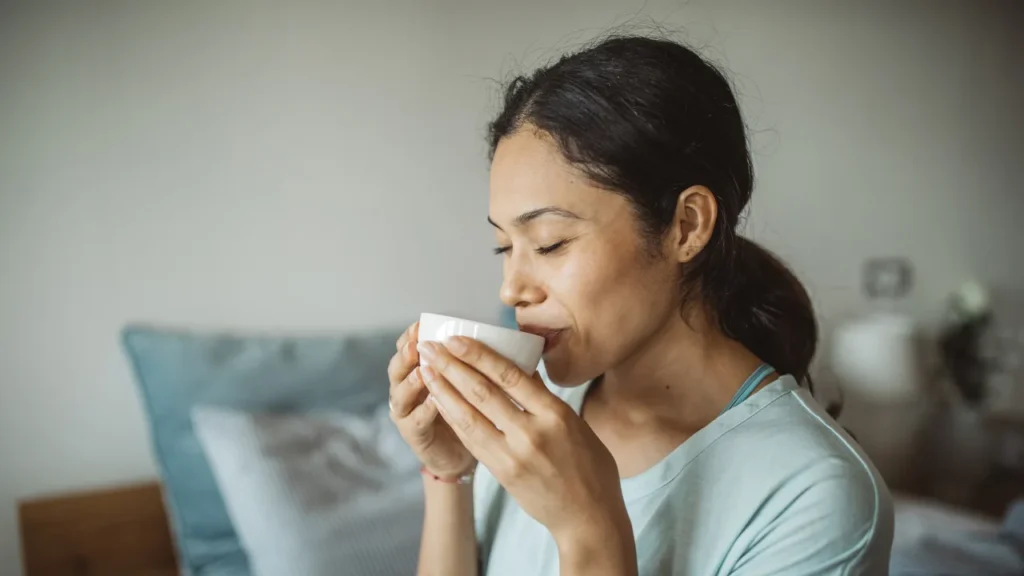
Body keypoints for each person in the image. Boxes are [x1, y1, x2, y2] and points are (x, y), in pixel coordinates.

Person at [387, 35, 894, 576]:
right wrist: (450, 474)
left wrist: (589, 529)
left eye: (550, 243)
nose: (511, 290)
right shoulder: (533, 409)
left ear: (687, 225)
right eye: (504, 247)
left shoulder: (817, 496)